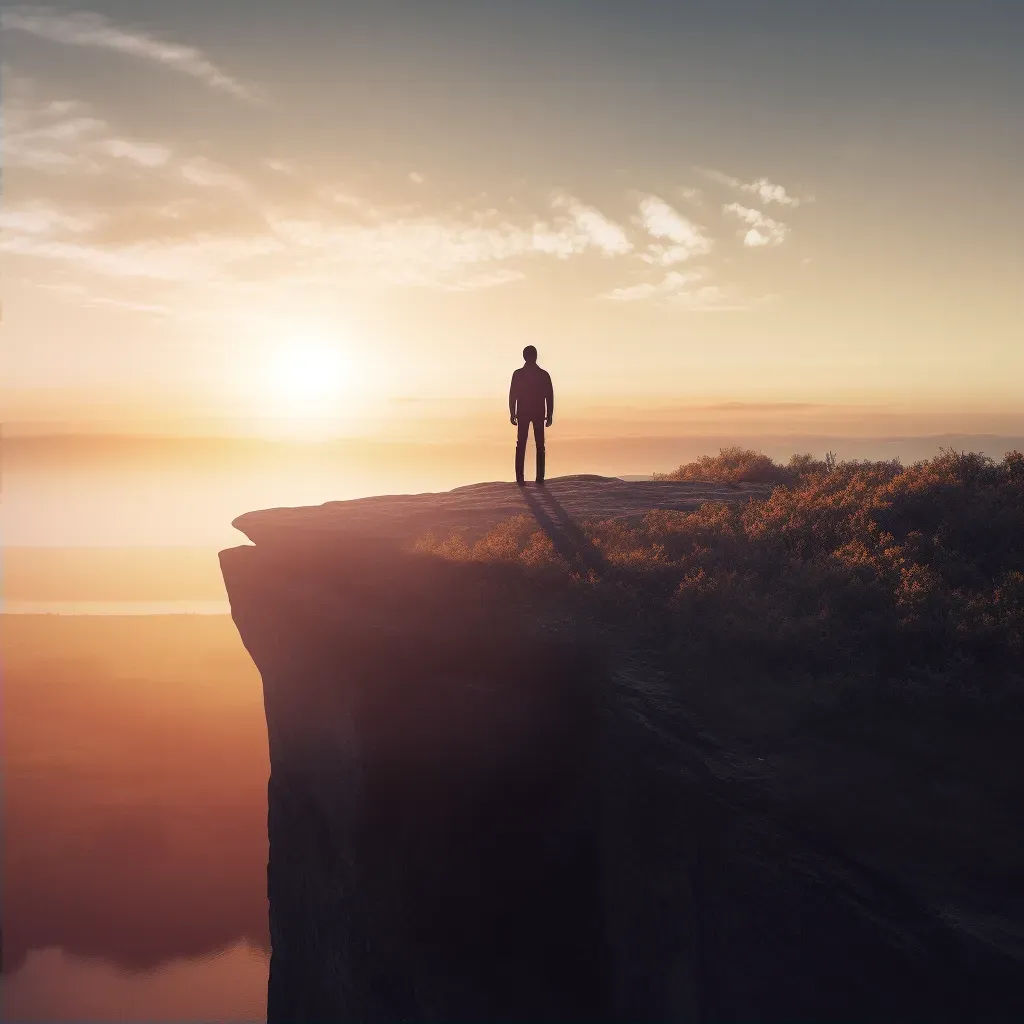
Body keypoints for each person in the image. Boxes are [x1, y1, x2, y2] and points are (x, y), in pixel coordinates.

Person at [509, 346, 554, 485]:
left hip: (524, 412)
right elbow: (549, 396)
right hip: (538, 412)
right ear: (535, 356)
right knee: (539, 445)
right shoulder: (543, 374)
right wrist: (549, 414)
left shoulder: (518, 374)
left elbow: (513, 395)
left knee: (521, 445)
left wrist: (512, 412)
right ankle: (539, 478)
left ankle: (520, 478)